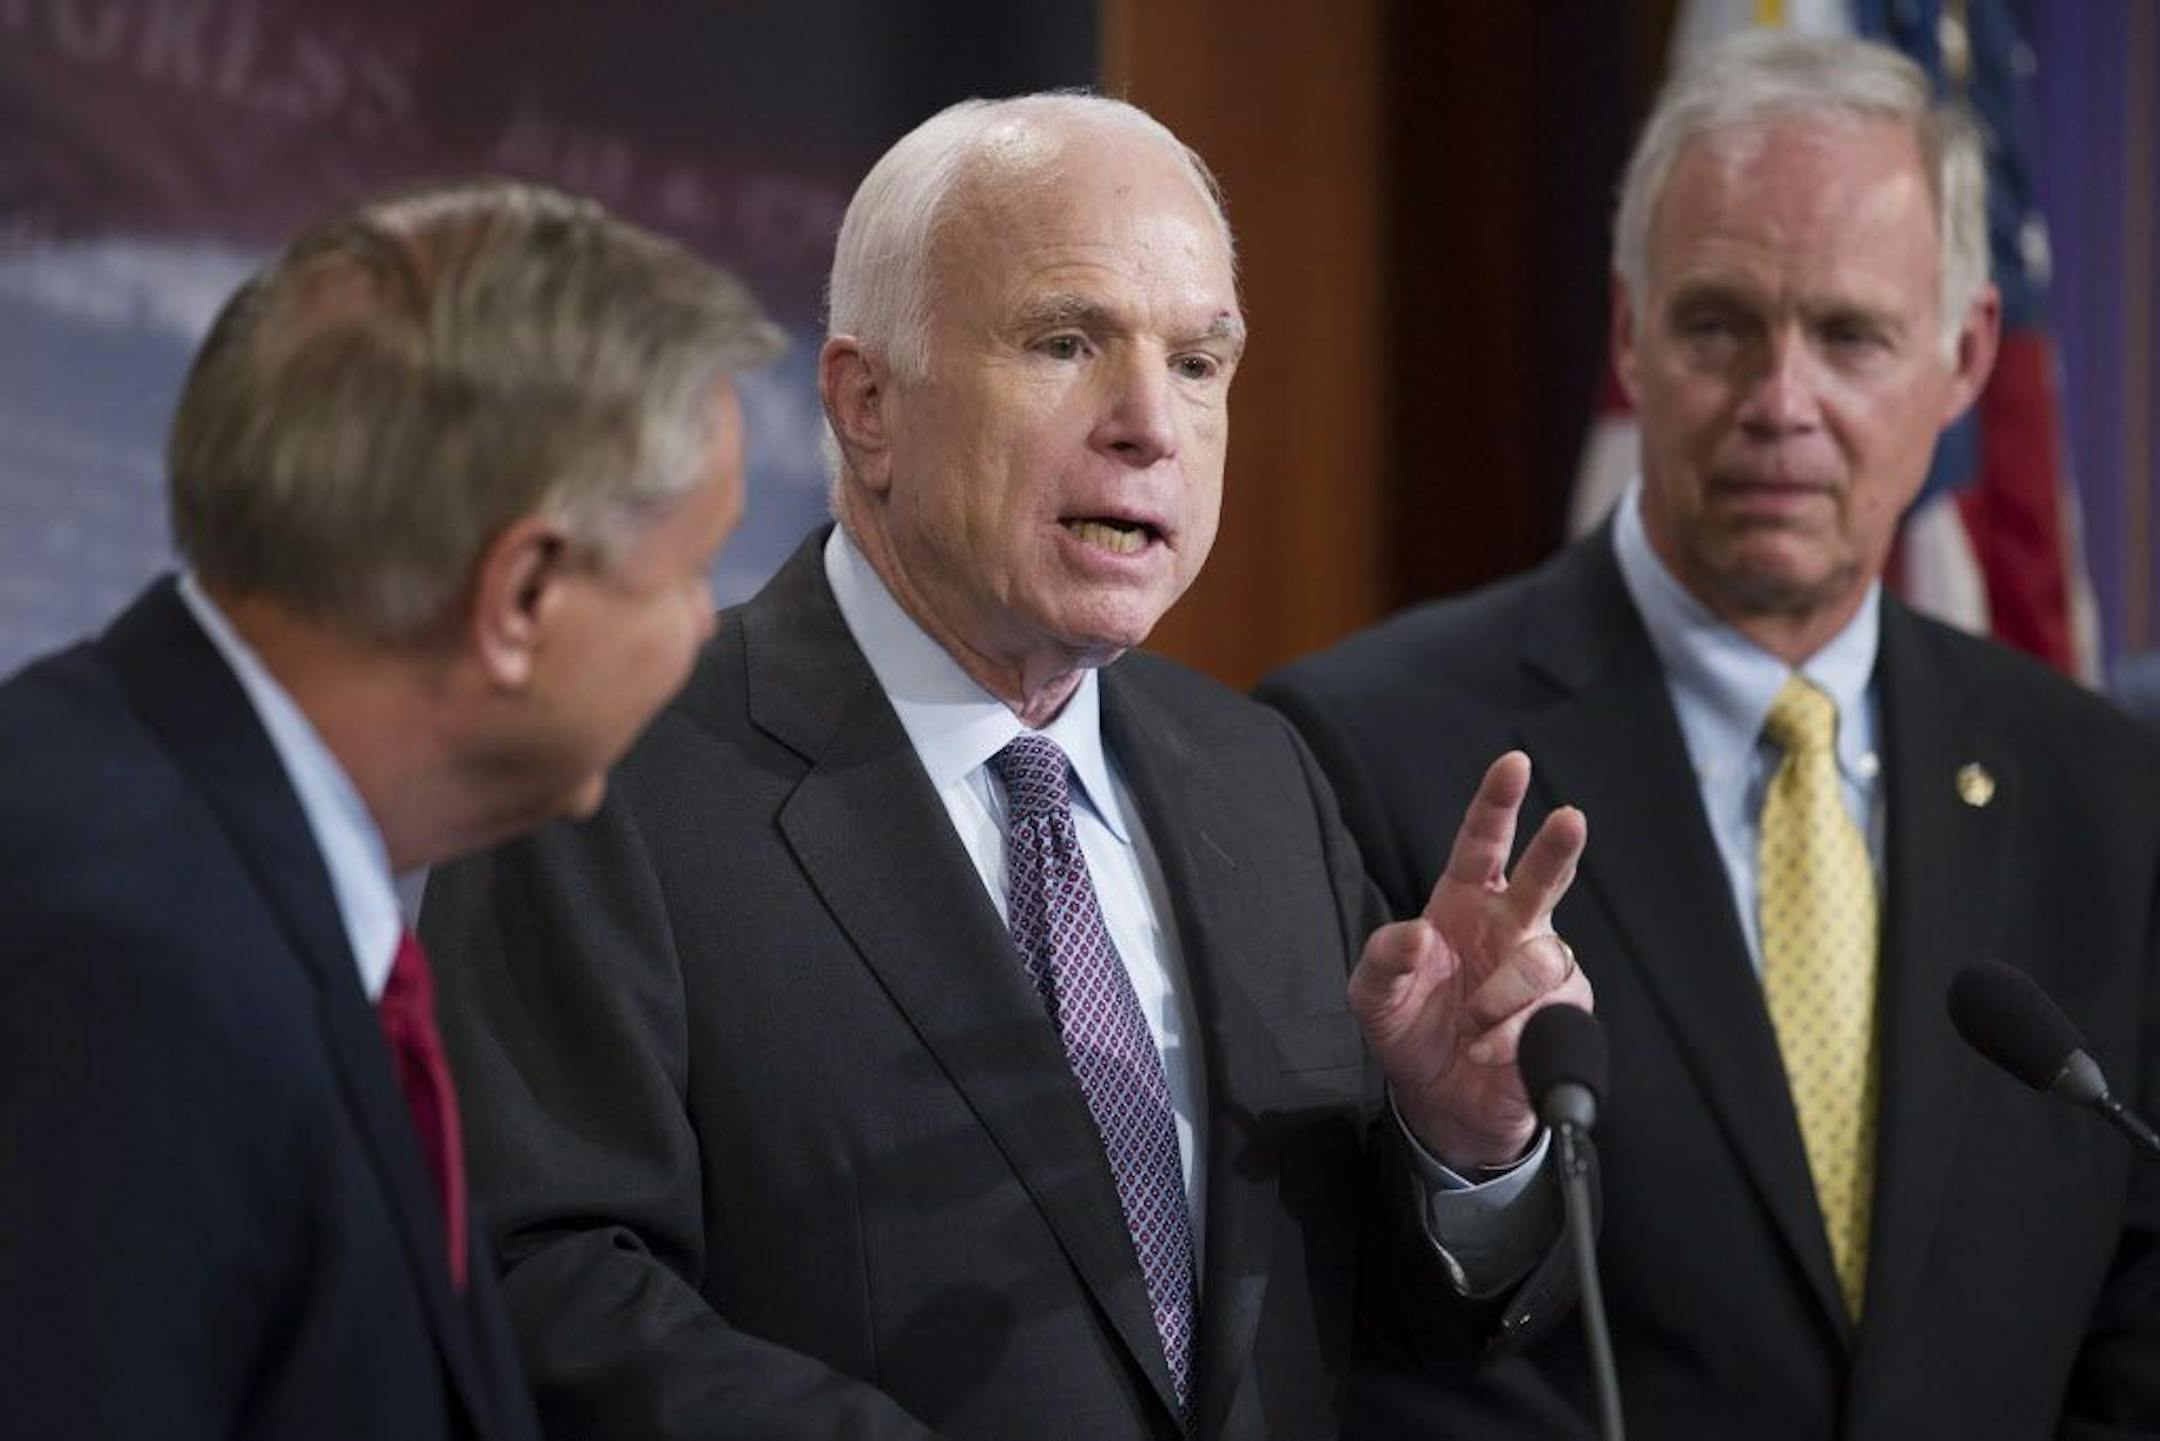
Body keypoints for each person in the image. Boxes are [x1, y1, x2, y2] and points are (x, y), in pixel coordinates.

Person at [419, 94, 1594, 1441]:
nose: (1150, 423)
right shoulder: (619, 768)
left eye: (1200, 363)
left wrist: (1461, 1145)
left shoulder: (1256, 778)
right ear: (866, 404)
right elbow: (544, 1287)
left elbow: (1376, 1334)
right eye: (1065, 341)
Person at [1260, 30, 2160, 1440]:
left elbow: (2136, 1324)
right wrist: (1469, 1162)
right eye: (1720, 324)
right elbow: (1348, 1334)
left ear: (1967, 352)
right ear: (1631, 336)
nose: (1780, 403)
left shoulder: (2103, 788)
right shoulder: (1361, 751)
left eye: (1851, 334)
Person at [0, 178, 782, 1439]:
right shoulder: (122, 957)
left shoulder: (176, 839)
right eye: (692, 568)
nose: (704, 622)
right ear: (522, 594)